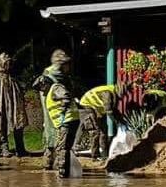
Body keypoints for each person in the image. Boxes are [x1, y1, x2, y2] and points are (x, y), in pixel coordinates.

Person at [43, 49, 82, 178]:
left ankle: (62, 172)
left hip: (65, 118)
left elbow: (64, 96)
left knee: (62, 146)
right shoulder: (51, 77)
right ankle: (55, 166)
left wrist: (64, 110)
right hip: (64, 117)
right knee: (59, 143)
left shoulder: (57, 84)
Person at [79, 82, 127, 160]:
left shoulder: (113, 92)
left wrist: (121, 121)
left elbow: (113, 110)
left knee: (103, 130)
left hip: (96, 108)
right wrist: (118, 122)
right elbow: (109, 109)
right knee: (96, 131)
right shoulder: (108, 93)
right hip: (88, 104)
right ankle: (95, 156)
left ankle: (104, 155)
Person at [32, 63, 60, 170]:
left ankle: (49, 162)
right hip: (53, 114)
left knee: (51, 133)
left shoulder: (48, 75)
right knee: (54, 133)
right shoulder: (53, 76)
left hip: (51, 114)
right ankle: (54, 162)